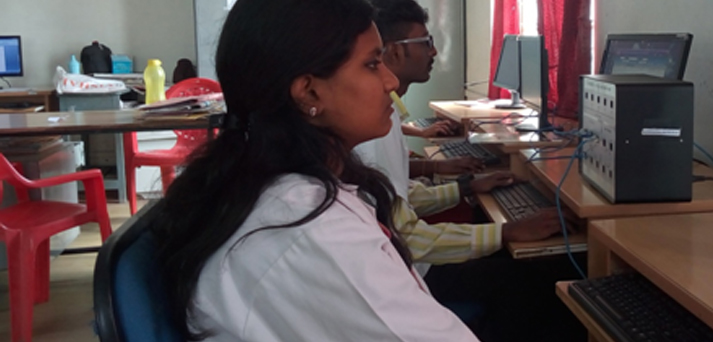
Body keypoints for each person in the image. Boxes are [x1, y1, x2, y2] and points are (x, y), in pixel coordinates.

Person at [150, 0, 477, 341]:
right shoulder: (311, 226)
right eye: (371, 64)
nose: (390, 81)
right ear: (309, 92)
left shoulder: (269, 184)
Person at [357, 1, 586, 341]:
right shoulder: (371, 133)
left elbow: (399, 195)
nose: (434, 51)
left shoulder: (385, 120)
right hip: (415, 272)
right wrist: (506, 232)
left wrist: (466, 185)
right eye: (424, 42)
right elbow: (408, 236)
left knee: (524, 253)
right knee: (544, 276)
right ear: (391, 53)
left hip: (409, 261)